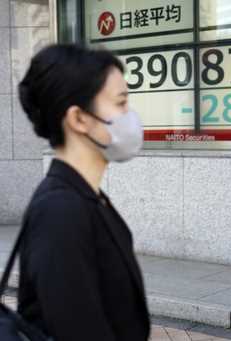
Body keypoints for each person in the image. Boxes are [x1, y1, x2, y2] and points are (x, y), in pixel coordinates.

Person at [16, 44, 150, 341]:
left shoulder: (85, 197)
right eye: (121, 103)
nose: (130, 116)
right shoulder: (60, 211)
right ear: (78, 119)